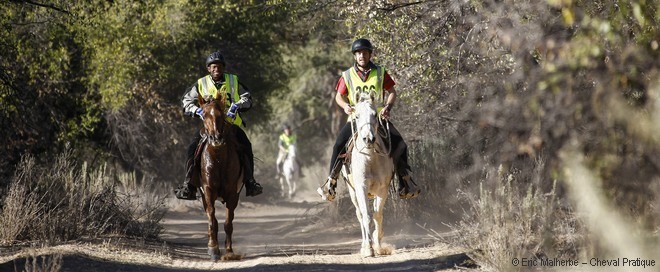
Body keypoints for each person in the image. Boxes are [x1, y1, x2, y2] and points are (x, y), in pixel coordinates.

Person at [318, 38, 420, 201]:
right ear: (354, 56)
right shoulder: (347, 75)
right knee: (338, 144)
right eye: (358, 53)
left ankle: (405, 183)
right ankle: (331, 183)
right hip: (356, 119)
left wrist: (387, 107)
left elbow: (392, 91)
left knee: (400, 144)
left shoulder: (380, 72)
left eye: (364, 53)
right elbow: (339, 96)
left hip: (377, 118)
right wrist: (345, 106)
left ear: (370, 54)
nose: (361, 56)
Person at [174, 51, 263, 200]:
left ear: (223, 68)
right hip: (209, 127)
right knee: (191, 148)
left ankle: (250, 182)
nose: (217, 70)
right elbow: (185, 101)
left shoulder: (233, 80)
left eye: (220, 66)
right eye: (214, 67)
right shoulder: (201, 83)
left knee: (246, 146)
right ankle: (188, 185)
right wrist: (197, 110)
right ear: (209, 69)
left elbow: (247, 98)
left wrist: (237, 106)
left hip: (231, 125)